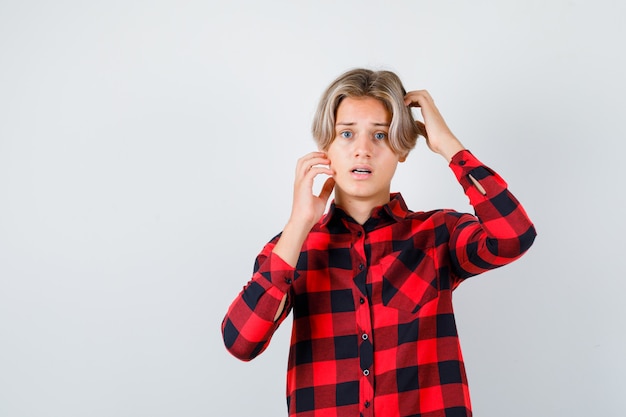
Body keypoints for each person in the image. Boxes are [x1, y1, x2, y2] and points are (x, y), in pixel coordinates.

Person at [221, 68, 536, 417]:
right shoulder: (291, 251)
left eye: (381, 136)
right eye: (346, 134)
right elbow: (241, 342)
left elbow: (514, 236)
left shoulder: (436, 235)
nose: (363, 150)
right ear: (325, 147)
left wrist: (448, 145)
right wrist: (299, 224)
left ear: (402, 148)